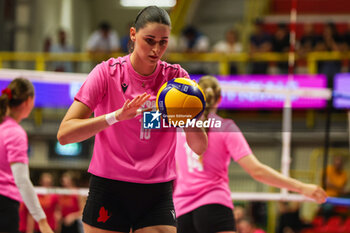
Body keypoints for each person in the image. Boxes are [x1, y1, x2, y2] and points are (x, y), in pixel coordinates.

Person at [57, 6, 207, 233]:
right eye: (149, 40)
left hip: (157, 190)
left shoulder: (177, 78)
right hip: (109, 187)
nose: (156, 49)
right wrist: (115, 117)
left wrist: (187, 118)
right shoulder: (106, 73)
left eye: (163, 42)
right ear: (133, 34)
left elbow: (199, 146)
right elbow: (65, 134)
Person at [173, 75, 328, 233]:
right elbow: (257, 171)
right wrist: (302, 187)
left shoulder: (179, 128)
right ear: (219, 99)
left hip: (181, 212)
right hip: (213, 205)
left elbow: (171, 173)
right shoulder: (225, 128)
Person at [0, 78, 54, 233]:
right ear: (28, 101)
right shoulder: (15, 133)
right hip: (5, 206)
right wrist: (42, 221)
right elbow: (22, 180)